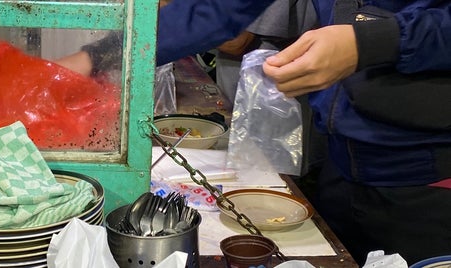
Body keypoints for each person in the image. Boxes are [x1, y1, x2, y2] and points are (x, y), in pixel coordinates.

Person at [55, 0, 451, 265]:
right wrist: (102, 55)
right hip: (341, 166)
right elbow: (217, 7)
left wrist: (369, 42)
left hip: (430, 182)